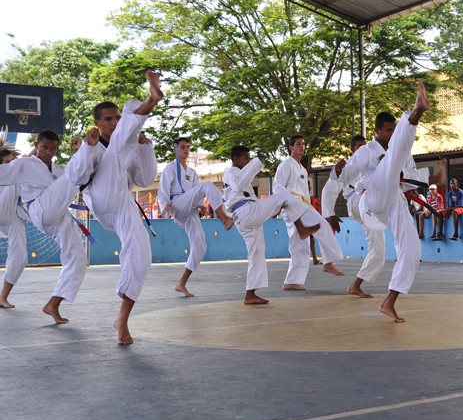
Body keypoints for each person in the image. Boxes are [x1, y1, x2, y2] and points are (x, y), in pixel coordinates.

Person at [65, 70, 162, 344]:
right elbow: (76, 177)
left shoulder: (126, 147)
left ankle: (122, 319)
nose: (114, 122)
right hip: (101, 198)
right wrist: (87, 147)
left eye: (118, 118)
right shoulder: (93, 145)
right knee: (120, 145)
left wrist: (145, 149)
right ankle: (149, 102)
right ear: (97, 122)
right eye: (109, 119)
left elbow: (143, 179)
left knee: (141, 254)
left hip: (122, 205)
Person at [332, 80, 431, 322]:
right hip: (371, 198)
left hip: (394, 200)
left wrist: (418, 191)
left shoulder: (402, 152)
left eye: (395, 130)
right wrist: (339, 170)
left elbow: (411, 179)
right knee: (389, 163)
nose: (392, 134)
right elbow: (349, 174)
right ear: (377, 131)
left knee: (412, 250)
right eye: (388, 131)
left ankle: (389, 302)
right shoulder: (365, 151)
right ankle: (417, 112)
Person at [0, 130, 87, 323]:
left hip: (49, 217)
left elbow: (83, 175)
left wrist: (80, 153)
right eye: (44, 147)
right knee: (74, 172)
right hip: (35, 209)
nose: (49, 152)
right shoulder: (25, 164)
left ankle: (53, 304)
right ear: (37, 145)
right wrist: (83, 152)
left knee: (79, 259)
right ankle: (86, 152)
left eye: (53, 148)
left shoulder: (58, 169)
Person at [224, 146, 320, 304]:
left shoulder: (240, 174)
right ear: (235, 159)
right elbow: (239, 185)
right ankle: (301, 228)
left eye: (249, 158)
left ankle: (250, 294)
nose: (248, 161)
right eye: (246, 158)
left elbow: (243, 184)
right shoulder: (231, 172)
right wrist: (255, 164)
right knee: (283, 195)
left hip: (245, 217)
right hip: (246, 211)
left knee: (257, 253)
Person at [158, 136, 234, 297]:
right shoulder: (170, 168)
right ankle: (225, 218)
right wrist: (165, 206)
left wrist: (201, 206)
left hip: (189, 208)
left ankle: (181, 283)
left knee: (200, 246)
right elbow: (163, 190)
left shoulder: (192, 173)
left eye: (187, 147)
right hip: (177, 203)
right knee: (206, 185)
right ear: (175, 149)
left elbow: (195, 193)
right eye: (182, 147)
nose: (186, 150)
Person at [274, 134, 344, 290]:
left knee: (300, 244)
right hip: (291, 204)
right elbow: (277, 186)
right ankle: (328, 262)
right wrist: (288, 202)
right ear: (291, 147)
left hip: (302, 204)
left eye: (303, 144)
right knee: (322, 226)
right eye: (298, 144)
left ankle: (290, 281)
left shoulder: (303, 170)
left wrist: (309, 205)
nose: (302, 146)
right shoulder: (286, 164)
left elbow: (305, 193)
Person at [321, 135, 378, 298]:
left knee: (378, 247)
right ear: (352, 149)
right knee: (377, 245)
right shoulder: (347, 165)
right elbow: (329, 190)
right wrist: (330, 214)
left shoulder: (369, 163)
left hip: (368, 201)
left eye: (365, 146)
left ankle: (356, 286)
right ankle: (355, 286)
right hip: (357, 200)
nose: (363, 149)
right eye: (359, 147)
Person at [0, 133, 28, 309]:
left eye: (12, 162)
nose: (11, 165)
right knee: (16, 178)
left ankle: (2, 297)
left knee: (20, 256)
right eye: (7, 163)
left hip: (10, 215)